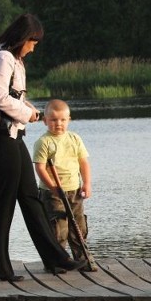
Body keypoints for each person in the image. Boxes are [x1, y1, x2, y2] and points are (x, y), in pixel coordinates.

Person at [0, 13, 86, 281]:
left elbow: (12, 97)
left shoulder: (14, 59)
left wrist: (29, 109)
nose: (34, 47)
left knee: (30, 197)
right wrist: (27, 114)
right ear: (23, 38)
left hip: (11, 136)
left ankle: (56, 259)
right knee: (4, 203)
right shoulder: (3, 57)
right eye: (33, 42)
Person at [33, 99, 96, 271]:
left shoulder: (74, 139)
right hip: (52, 192)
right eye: (53, 120)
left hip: (74, 189)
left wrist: (87, 184)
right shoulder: (43, 142)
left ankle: (82, 258)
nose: (58, 124)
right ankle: (56, 261)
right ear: (45, 121)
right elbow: (40, 168)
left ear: (69, 120)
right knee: (58, 227)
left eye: (62, 120)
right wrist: (53, 187)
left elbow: (83, 163)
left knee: (78, 226)